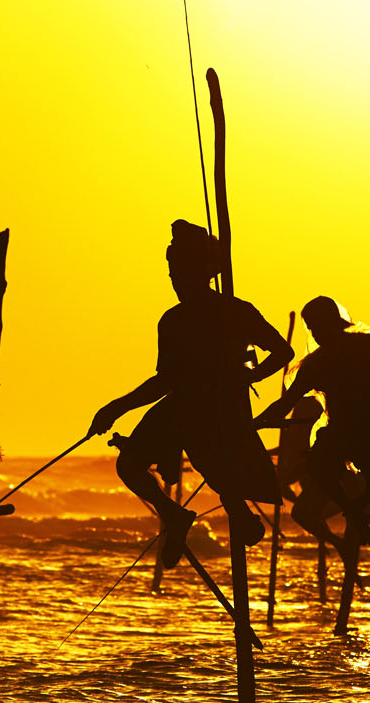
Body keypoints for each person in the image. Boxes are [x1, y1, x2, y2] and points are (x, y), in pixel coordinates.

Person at [90, 220, 294, 568]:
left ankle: (239, 515)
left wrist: (249, 376)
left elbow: (282, 352)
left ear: (205, 272)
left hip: (222, 410)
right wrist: (116, 407)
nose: (176, 282)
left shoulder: (236, 311)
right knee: (129, 465)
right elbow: (165, 381)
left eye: (182, 273)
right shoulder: (172, 320)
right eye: (172, 274)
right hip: (182, 407)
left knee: (216, 464)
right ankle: (174, 514)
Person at [254, 296, 370, 553]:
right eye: (311, 328)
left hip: (360, 435)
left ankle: (355, 508)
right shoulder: (344, 353)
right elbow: (285, 405)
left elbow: (283, 406)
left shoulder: (341, 354)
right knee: (320, 464)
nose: (314, 333)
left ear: (331, 323)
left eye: (316, 326)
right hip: (356, 436)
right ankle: (355, 509)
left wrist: (256, 422)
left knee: (326, 466)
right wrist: (258, 422)